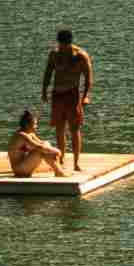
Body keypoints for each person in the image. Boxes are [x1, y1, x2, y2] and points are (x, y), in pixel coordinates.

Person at [41, 29, 93, 171]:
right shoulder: (54, 55)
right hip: (57, 94)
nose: (62, 47)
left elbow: (88, 77)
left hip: (72, 94)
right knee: (59, 127)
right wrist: (44, 91)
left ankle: (76, 162)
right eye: (60, 44)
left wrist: (86, 96)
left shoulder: (80, 56)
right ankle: (62, 158)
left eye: (65, 44)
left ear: (70, 43)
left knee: (74, 128)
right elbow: (48, 72)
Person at [8, 109, 67, 178]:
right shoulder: (21, 135)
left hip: (25, 165)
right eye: (35, 124)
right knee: (41, 151)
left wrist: (49, 148)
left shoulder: (30, 133)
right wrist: (57, 151)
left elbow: (43, 143)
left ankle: (59, 172)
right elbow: (40, 148)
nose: (36, 127)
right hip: (19, 169)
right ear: (27, 125)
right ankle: (59, 172)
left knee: (46, 146)